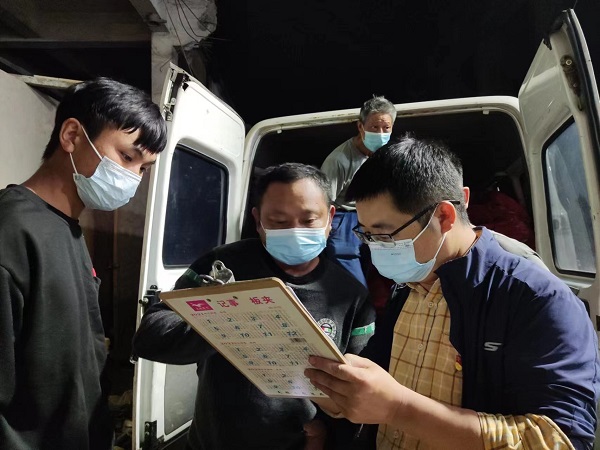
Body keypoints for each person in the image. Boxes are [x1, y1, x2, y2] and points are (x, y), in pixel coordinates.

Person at [306, 136, 599, 450]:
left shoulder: (535, 299)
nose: (374, 248)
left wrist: (399, 409)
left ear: (444, 216)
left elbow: (559, 439)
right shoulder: (407, 286)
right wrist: (339, 394)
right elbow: (379, 381)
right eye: (366, 235)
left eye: (384, 235)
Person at [132, 163, 376, 450]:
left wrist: (325, 429)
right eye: (279, 221)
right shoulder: (223, 265)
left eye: (308, 220)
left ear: (330, 218)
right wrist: (224, 323)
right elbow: (151, 334)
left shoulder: (350, 296)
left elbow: (361, 388)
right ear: (258, 220)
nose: (295, 231)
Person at [0, 78, 167, 450]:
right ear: (72, 135)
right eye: (127, 157)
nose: (133, 178)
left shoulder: (67, 228)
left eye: (144, 168)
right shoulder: (12, 232)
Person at [321, 95, 396, 287]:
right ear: (360, 127)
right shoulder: (339, 160)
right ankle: (359, 300)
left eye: (386, 128)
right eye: (374, 127)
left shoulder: (387, 154)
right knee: (346, 260)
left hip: (374, 211)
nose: (380, 133)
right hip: (345, 214)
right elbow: (323, 202)